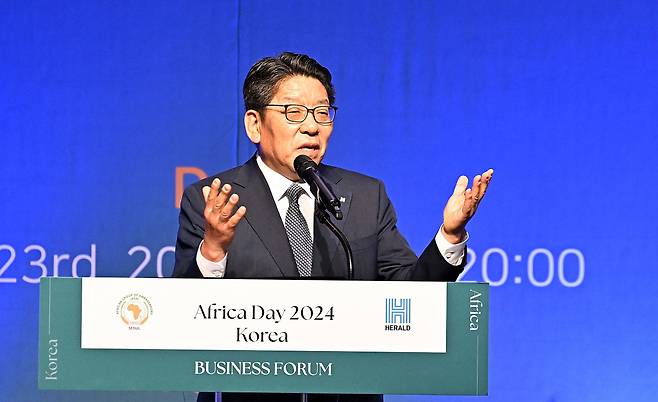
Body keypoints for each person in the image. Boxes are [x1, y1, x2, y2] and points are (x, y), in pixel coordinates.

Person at [173, 52, 493, 402]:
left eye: (322, 113)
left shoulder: (365, 196)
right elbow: (184, 321)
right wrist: (214, 250)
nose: (312, 126)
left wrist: (449, 235)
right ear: (254, 125)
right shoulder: (214, 199)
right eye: (293, 112)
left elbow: (412, 296)